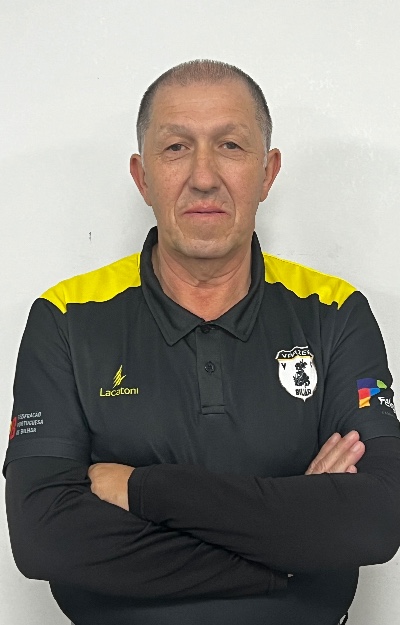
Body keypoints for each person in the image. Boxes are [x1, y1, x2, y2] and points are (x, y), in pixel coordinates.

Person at [4, 60, 400, 625]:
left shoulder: (336, 312)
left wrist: (143, 490)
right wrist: (290, 551)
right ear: (142, 177)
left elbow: (375, 518)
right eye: (176, 148)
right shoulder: (66, 318)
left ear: (268, 172)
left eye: (231, 146)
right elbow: (46, 539)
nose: (205, 176)